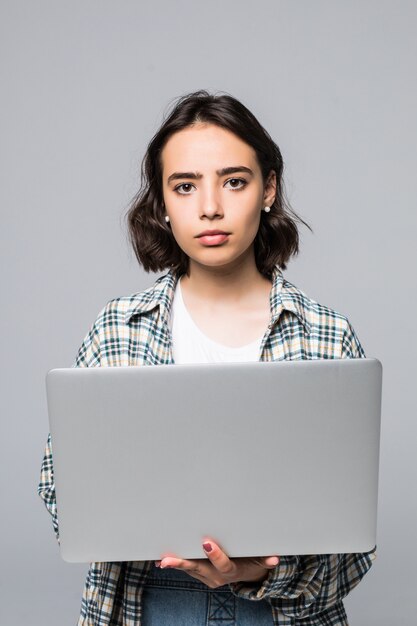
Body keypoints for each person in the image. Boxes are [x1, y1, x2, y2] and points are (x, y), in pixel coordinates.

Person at [38, 89, 377, 626]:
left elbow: (354, 551)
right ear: (163, 203)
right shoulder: (118, 330)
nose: (210, 206)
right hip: (150, 599)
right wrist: (141, 527)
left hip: (279, 611)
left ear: (269, 189)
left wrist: (259, 573)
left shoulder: (326, 335)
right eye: (185, 186)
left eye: (234, 180)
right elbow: (60, 488)